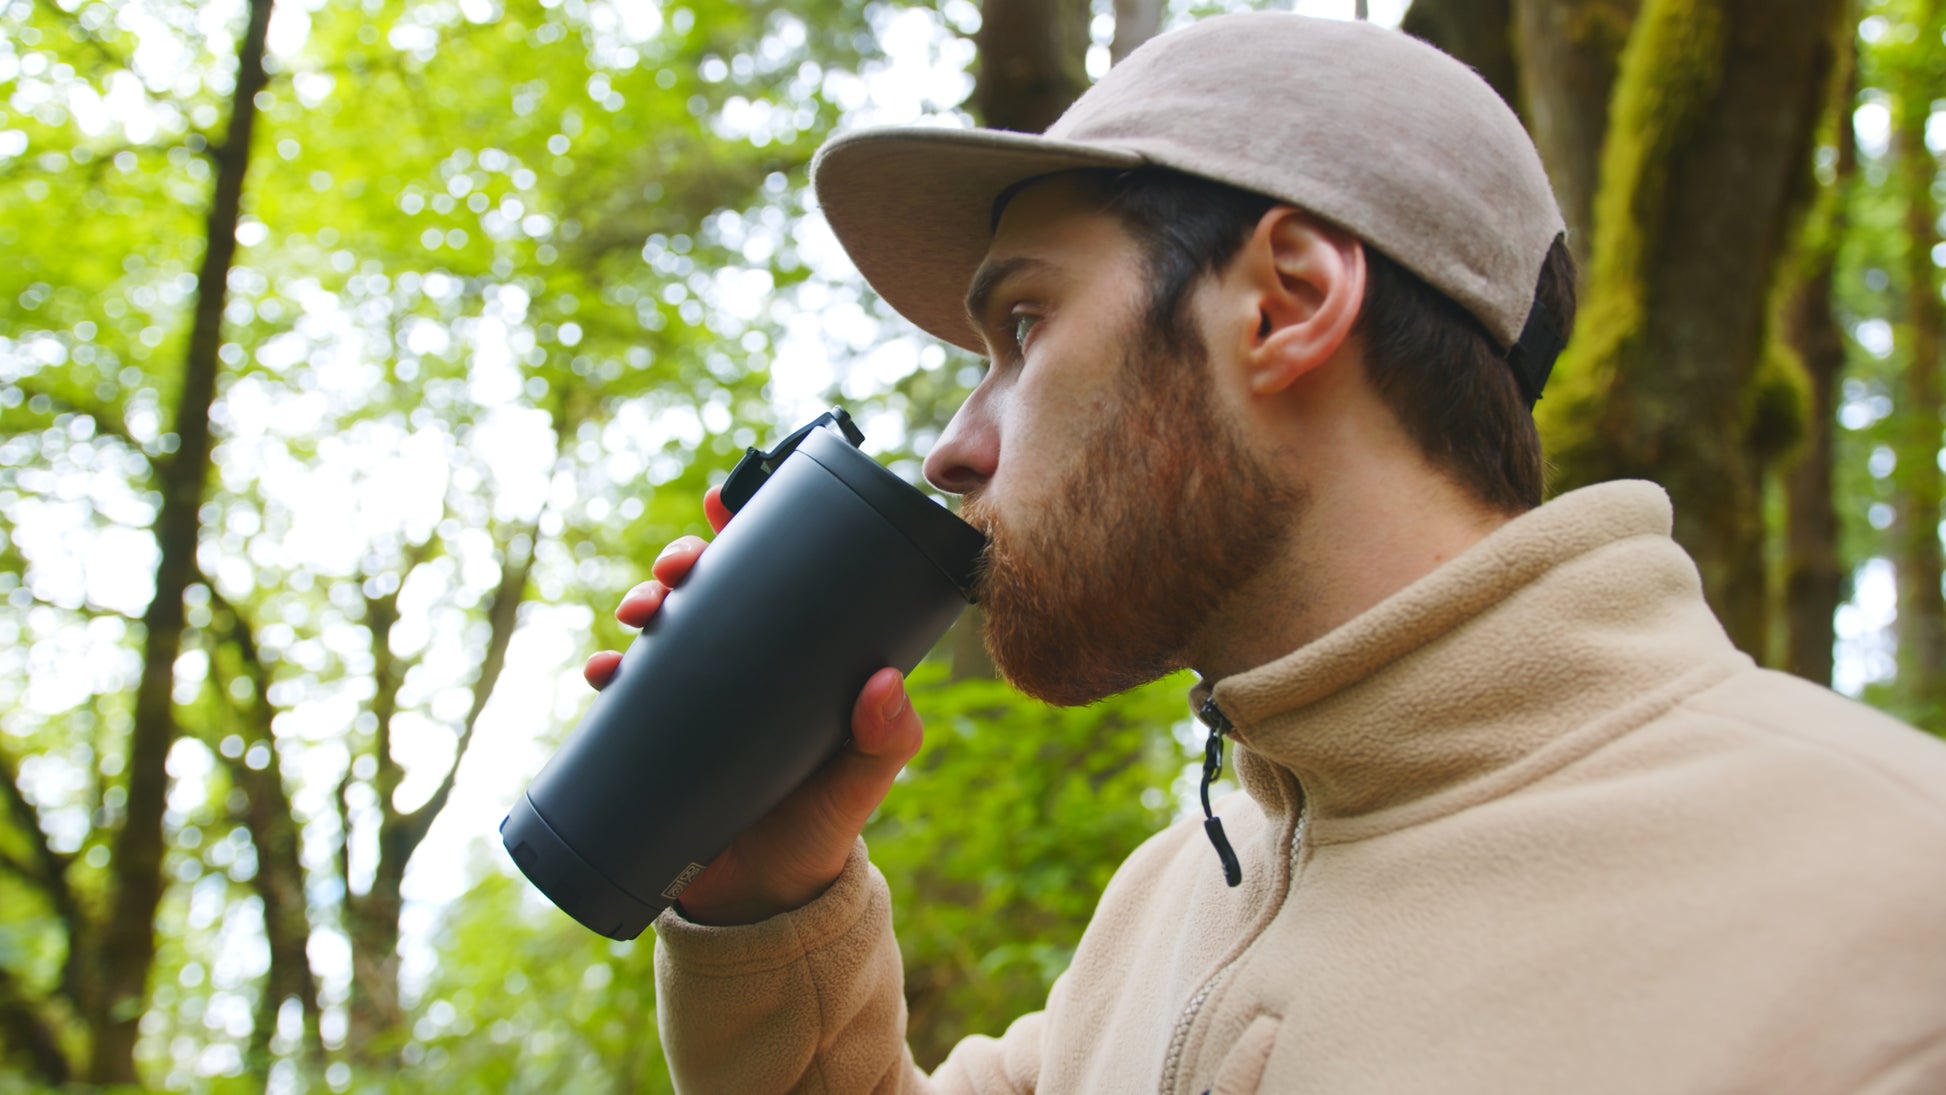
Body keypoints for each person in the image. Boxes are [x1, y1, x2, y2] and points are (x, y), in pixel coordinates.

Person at [583, 13, 1946, 1092]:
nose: (953, 446)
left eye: (1021, 329)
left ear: (1285, 303)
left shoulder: (1889, 900)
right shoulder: (1177, 895)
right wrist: (771, 892)